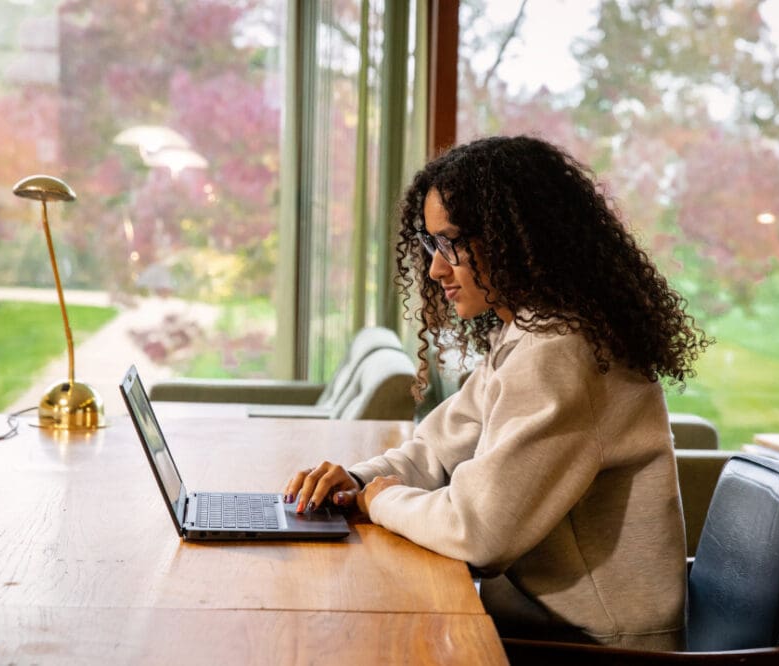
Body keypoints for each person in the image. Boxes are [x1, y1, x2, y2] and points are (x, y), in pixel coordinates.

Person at [283, 135, 712, 650]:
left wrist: (378, 501)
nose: (437, 269)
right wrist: (353, 481)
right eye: (432, 245)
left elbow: (480, 534)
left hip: (598, 645)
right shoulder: (529, 333)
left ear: (515, 237)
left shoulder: (563, 353)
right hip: (543, 622)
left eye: (451, 244)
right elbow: (436, 451)